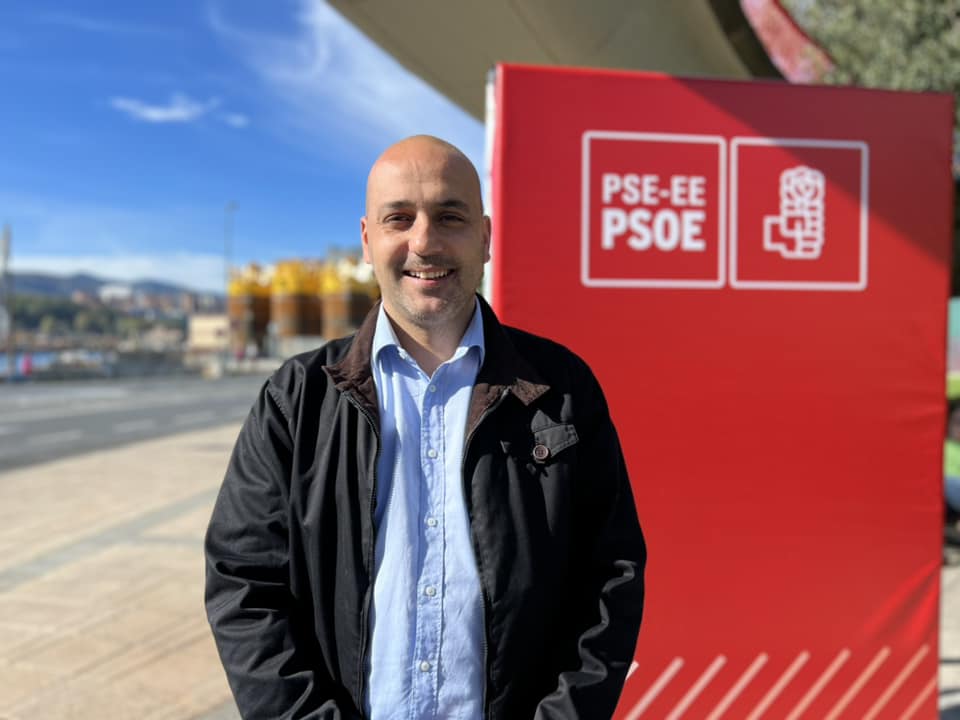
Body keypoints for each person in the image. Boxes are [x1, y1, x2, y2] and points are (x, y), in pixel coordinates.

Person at [205, 135, 646, 719]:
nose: (424, 241)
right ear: (368, 240)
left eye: (449, 216)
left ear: (485, 237)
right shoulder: (297, 399)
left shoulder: (563, 391)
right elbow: (244, 585)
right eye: (399, 219)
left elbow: (611, 579)